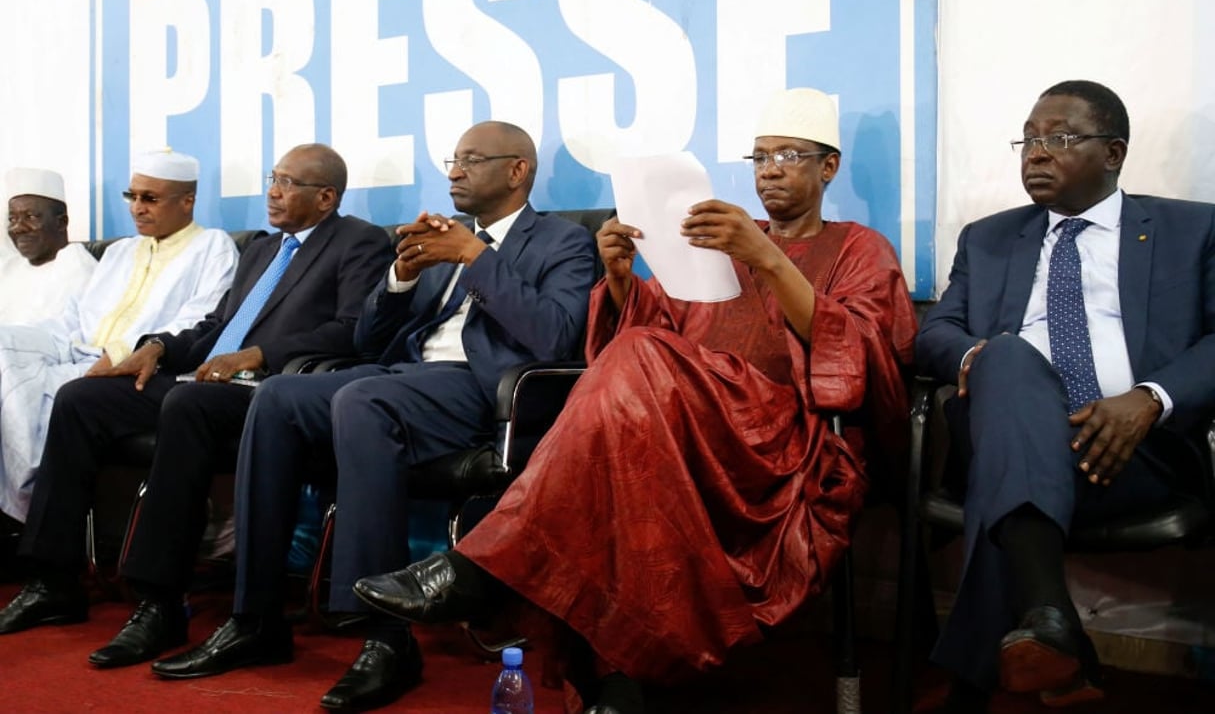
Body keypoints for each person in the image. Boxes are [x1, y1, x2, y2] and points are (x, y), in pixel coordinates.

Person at [354, 88, 919, 712]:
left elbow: (861, 354)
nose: (771, 170)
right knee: (619, 455)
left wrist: (767, 259)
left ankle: (485, 570)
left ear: (827, 167)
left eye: (789, 155)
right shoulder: (726, 240)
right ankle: (619, 685)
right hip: (692, 427)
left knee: (636, 370)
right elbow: (667, 324)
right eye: (759, 158)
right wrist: (621, 279)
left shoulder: (857, 248)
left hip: (780, 439)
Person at [148, 121, 598, 712]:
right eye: (453, 160)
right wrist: (400, 277)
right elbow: (370, 341)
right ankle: (254, 617)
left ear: (517, 171)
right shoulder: (442, 240)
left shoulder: (562, 242)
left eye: (472, 160)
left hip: (482, 389)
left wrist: (477, 259)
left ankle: (384, 638)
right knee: (278, 396)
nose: (455, 172)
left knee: (360, 401)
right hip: (403, 376)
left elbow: (555, 337)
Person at [0, 143, 393, 650]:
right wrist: (157, 348)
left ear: (326, 197)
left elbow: (352, 331)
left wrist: (256, 355)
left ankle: (158, 602)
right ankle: (53, 579)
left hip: (276, 389)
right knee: (82, 398)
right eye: (273, 178)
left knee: (185, 405)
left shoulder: (357, 242)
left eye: (289, 183)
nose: (273, 191)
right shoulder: (263, 248)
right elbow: (215, 327)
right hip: (210, 377)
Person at [912, 80, 1215, 712]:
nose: (1036, 153)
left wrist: (1151, 398)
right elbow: (936, 330)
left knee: (1006, 476)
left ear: (1114, 153)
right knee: (1010, 355)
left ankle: (1007, 662)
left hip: (1134, 451)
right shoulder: (989, 238)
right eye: (1029, 139)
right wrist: (981, 359)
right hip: (1008, 426)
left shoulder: (1193, 229)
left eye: (1061, 138)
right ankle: (1053, 620)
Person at [0, 149, 237, 522]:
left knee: (45, 390)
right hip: (78, 351)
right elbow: (73, 320)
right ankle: (19, 494)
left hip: (136, 367)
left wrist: (122, 351)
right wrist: (21, 342)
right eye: (133, 196)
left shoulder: (212, 247)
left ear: (187, 201)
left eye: (150, 198)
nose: (137, 208)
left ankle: (20, 505)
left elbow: (198, 322)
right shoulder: (120, 252)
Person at [0, 168, 97, 325]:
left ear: (61, 222)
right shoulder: (9, 268)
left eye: (30, 217)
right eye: (12, 219)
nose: (18, 227)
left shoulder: (77, 268)